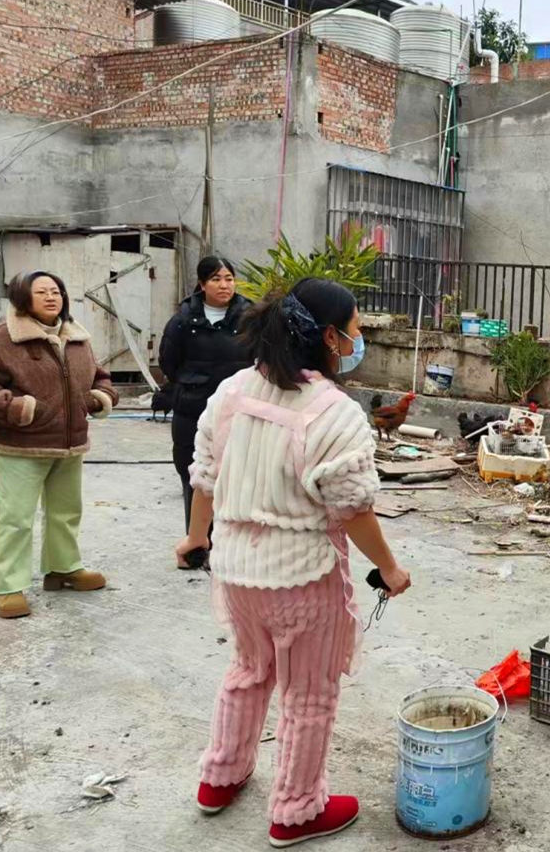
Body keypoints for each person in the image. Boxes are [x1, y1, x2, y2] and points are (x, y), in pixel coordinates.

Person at [175, 278, 411, 846]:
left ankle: (220, 778)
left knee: (248, 672)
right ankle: (297, 810)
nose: (357, 340)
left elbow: (204, 477)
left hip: (236, 571)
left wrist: (195, 538)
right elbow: (352, 510)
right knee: (309, 696)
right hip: (303, 579)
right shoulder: (337, 413)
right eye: (354, 330)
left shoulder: (232, 391)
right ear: (330, 338)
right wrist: (390, 568)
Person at [0, 271, 117, 619]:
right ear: (22, 297)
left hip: (70, 443)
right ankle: (7, 586)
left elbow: (101, 376)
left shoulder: (76, 336)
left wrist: (98, 397)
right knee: (16, 519)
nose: (51, 297)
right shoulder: (2, 339)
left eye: (56, 291)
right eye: (42, 292)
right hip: (22, 446)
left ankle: (63, 568)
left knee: (66, 512)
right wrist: (21, 408)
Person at [160, 257, 252, 559]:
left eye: (229, 278)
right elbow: (169, 363)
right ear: (202, 284)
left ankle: (233, 548)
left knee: (240, 478)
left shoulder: (250, 318)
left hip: (239, 411)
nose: (224, 285)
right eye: (216, 279)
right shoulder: (183, 321)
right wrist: (194, 384)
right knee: (195, 476)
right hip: (193, 409)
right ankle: (198, 543)